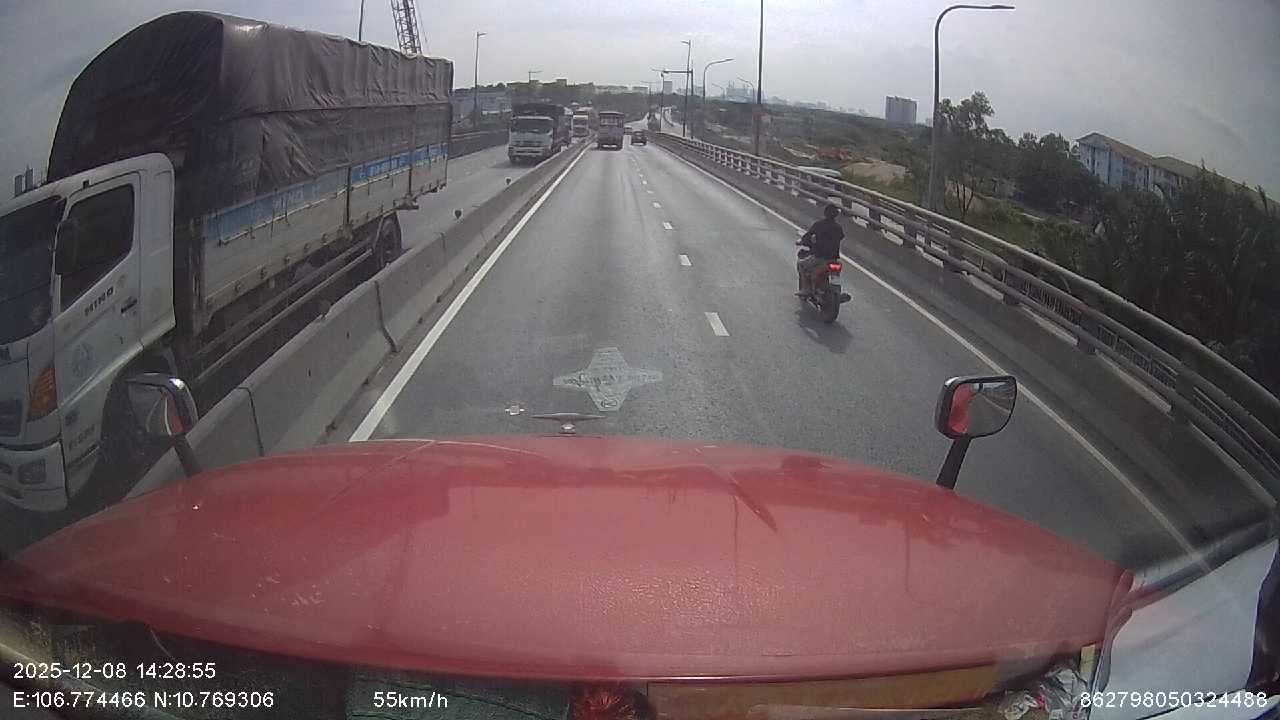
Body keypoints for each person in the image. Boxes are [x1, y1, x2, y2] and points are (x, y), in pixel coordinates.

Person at [796, 203, 845, 297]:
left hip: (820, 257)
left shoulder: (819, 225)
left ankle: (806, 289)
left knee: (801, 265)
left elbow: (808, 236)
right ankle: (835, 292)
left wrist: (802, 241)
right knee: (835, 274)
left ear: (825, 213)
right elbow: (841, 237)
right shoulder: (838, 228)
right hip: (834, 259)